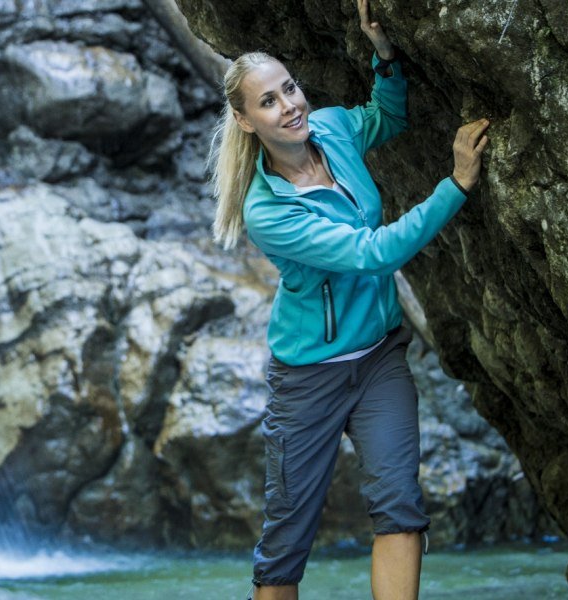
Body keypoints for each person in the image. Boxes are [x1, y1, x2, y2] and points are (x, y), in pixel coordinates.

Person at [208, 1, 490, 599]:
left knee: (400, 508)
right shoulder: (269, 211)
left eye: (290, 89)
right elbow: (373, 253)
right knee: (284, 546)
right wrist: (457, 184)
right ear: (244, 120)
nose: (290, 106)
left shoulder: (329, 128)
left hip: (379, 357)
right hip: (308, 378)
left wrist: (383, 54)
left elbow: (383, 118)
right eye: (269, 101)